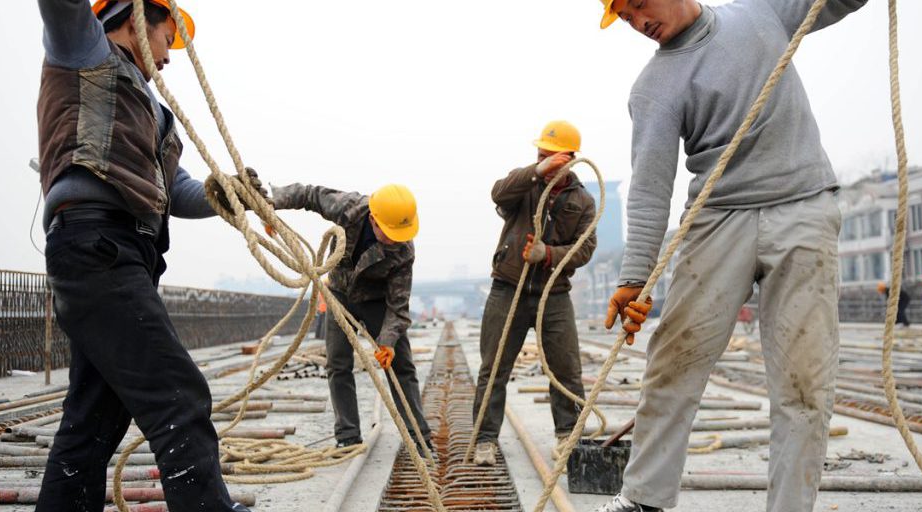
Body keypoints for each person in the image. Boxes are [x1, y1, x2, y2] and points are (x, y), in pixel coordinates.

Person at [595, 0, 867, 511]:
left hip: (803, 206)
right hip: (719, 219)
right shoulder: (653, 88)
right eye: (626, 18)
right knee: (672, 361)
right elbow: (651, 188)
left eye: (639, 5)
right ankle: (643, 499)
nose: (638, 21)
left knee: (803, 383)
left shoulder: (762, 14)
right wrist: (635, 279)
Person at [35, 1, 263, 511]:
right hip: (97, 246)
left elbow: (177, 192)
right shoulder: (83, 49)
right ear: (135, 18)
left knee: (94, 418)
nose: (169, 55)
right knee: (179, 397)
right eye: (167, 37)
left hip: (122, 254)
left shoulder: (156, 113)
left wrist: (225, 193)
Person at [267, 183, 433, 453]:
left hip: (377, 301)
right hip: (341, 293)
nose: (394, 240)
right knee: (338, 364)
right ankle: (348, 436)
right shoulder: (349, 209)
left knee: (401, 365)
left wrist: (388, 341)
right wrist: (273, 205)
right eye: (389, 234)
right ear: (372, 219)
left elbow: (398, 306)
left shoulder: (403, 250)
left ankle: (419, 436)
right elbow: (309, 195)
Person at [471, 121, 597, 466]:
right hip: (507, 289)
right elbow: (498, 193)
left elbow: (585, 249)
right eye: (540, 155)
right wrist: (537, 170)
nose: (544, 161)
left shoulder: (583, 200)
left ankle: (568, 437)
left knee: (566, 369)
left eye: (550, 156)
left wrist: (549, 255)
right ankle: (484, 439)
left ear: (569, 159)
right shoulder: (523, 185)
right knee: (493, 368)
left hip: (553, 294)